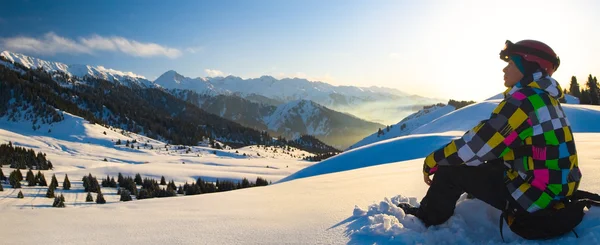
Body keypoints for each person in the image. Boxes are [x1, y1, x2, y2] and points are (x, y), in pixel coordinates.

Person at [398, 40, 590, 240]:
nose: (505, 69)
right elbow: (497, 142)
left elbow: (476, 145)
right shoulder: (544, 98)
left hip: (534, 197)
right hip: (555, 189)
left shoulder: (523, 100)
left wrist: (434, 159)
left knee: (451, 167)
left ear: (529, 67)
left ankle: (427, 218)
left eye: (512, 64)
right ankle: (472, 198)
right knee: (489, 158)